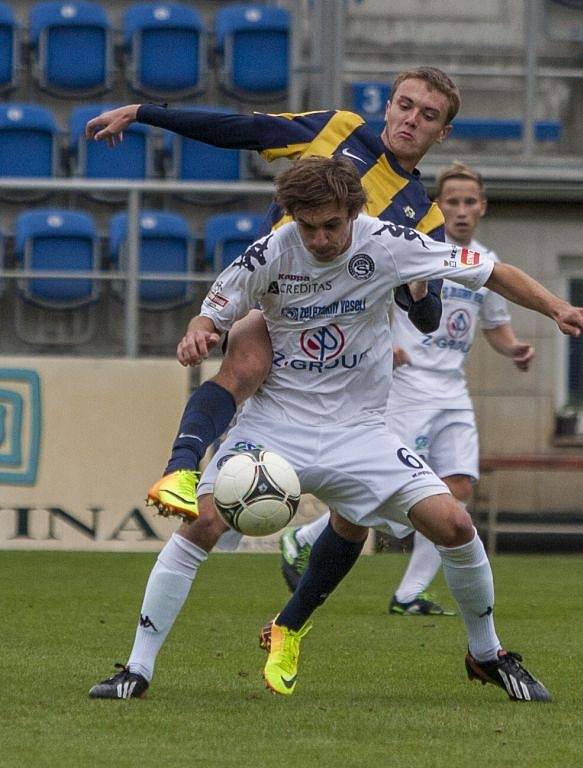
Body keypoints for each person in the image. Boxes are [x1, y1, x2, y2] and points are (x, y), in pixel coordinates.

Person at [88, 156, 583, 703]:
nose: (318, 238)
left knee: (455, 524)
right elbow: (212, 315)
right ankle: (138, 668)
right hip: (274, 426)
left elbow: (488, 270)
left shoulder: (387, 242)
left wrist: (558, 307)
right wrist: (198, 334)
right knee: (201, 524)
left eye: (331, 225)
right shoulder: (268, 254)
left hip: (361, 431)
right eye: (307, 225)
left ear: (354, 213)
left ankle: (487, 654)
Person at [84, 66, 461, 522]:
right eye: (405, 105)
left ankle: (300, 571)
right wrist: (146, 113)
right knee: (244, 366)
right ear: (387, 106)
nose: (411, 120)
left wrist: (419, 295)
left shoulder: (425, 216)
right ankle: (181, 469)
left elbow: (426, 318)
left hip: (347, 339)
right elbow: (245, 129)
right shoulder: (338, 129)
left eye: (428, 115)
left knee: (352, 519)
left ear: (443, 131)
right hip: (279, 302)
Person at [279, 162, 534, 618]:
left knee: (456, 491)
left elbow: (495, 325)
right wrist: (390, 343)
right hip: (406, 386)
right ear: (438, 206)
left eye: (469, 202)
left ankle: (408, 593)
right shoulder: (413, 247)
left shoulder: (483, 262)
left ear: (482, 207)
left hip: (453, 389)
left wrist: (514, 349)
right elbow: (368, 298)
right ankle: (305, 537)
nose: (460, 211)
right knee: (383, 489)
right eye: (451, 202)